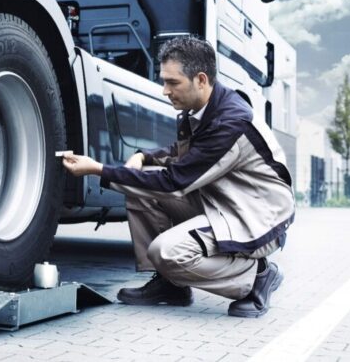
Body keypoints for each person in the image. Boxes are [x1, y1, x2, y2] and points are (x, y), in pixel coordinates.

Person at [62, 36, 295, 317]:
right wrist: (144, 157)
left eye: (173, 83)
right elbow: (181, 154)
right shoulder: (202, 109)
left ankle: (257, 276)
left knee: (166, 251)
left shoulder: (231, 123)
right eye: (164, 81)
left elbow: (173, 184)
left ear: (201, 79)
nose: (165, 91)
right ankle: (170, 285)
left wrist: (97, 169)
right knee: (140, 183)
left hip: (256, 217)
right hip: (225, 200)